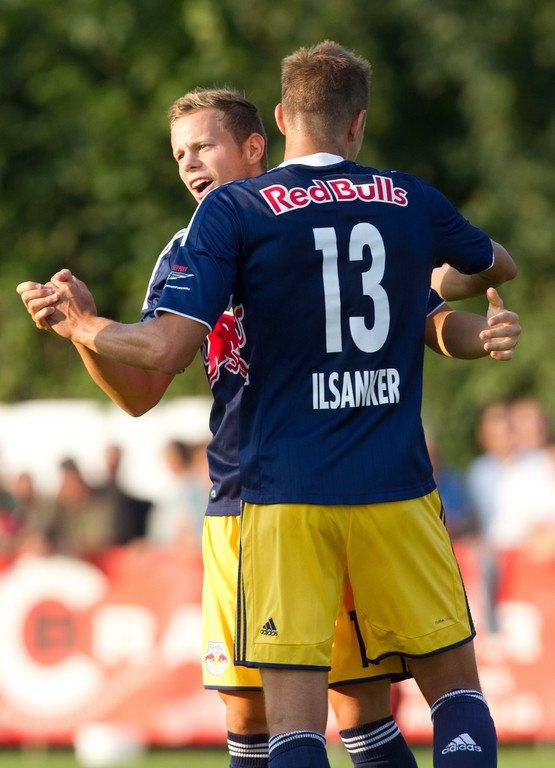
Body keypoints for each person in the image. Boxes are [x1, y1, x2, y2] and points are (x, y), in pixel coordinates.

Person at [17, 58, 520, 768]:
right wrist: (88, 336)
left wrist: (84, 326)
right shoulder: (194, 246)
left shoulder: (256, 217)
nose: (190, 164)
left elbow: (424, 314)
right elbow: (140, 393)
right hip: (247, 497)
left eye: (204, 146)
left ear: (264, 139)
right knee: (252, 709)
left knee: (352, 702)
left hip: (284, 495)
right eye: (179, 154)